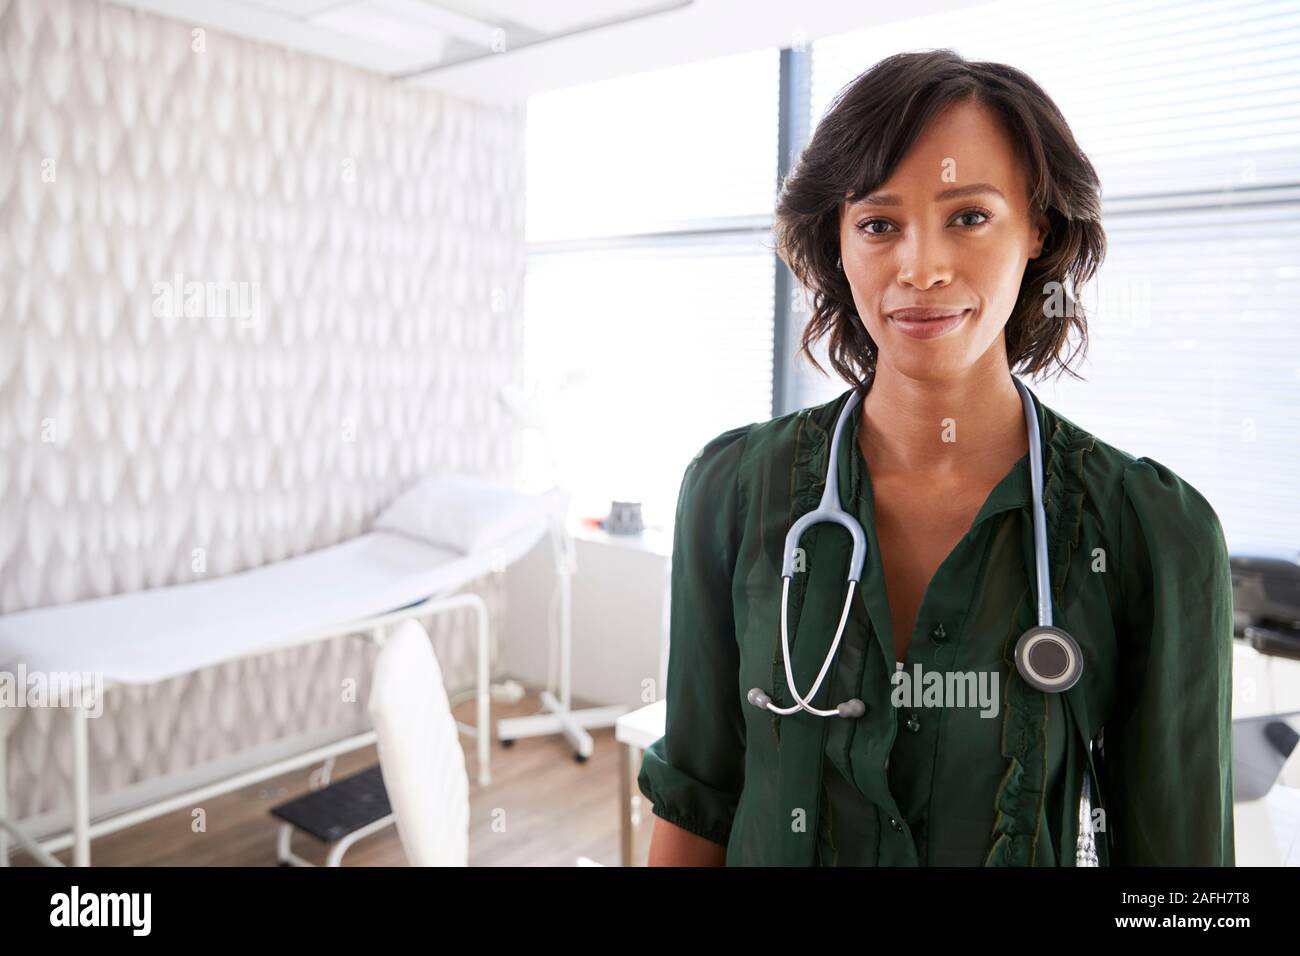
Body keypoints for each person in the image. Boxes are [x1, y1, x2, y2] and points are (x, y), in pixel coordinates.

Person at [638, 49, 1235, 866]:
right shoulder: (735, 490)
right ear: (837, 246)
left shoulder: (1148, 530)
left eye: (970, 216)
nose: (921, 267)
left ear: (1039, 231)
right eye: (879, 224)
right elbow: (698, 803)